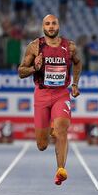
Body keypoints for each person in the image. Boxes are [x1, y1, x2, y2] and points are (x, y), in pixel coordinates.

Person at [18, 14, 82, 185]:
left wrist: (75, 83)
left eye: (54, 23)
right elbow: (21, 71)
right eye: (47, 24)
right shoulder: (34, 47)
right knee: (42, 145)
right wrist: (34, 68)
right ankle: (50, 129)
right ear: (43, 27)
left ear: (59, 25)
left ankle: (60, 170)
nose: (51, 26)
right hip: (42, 94)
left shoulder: (70, 46)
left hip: (61, 93)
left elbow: (78, 63)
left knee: (62, 130)